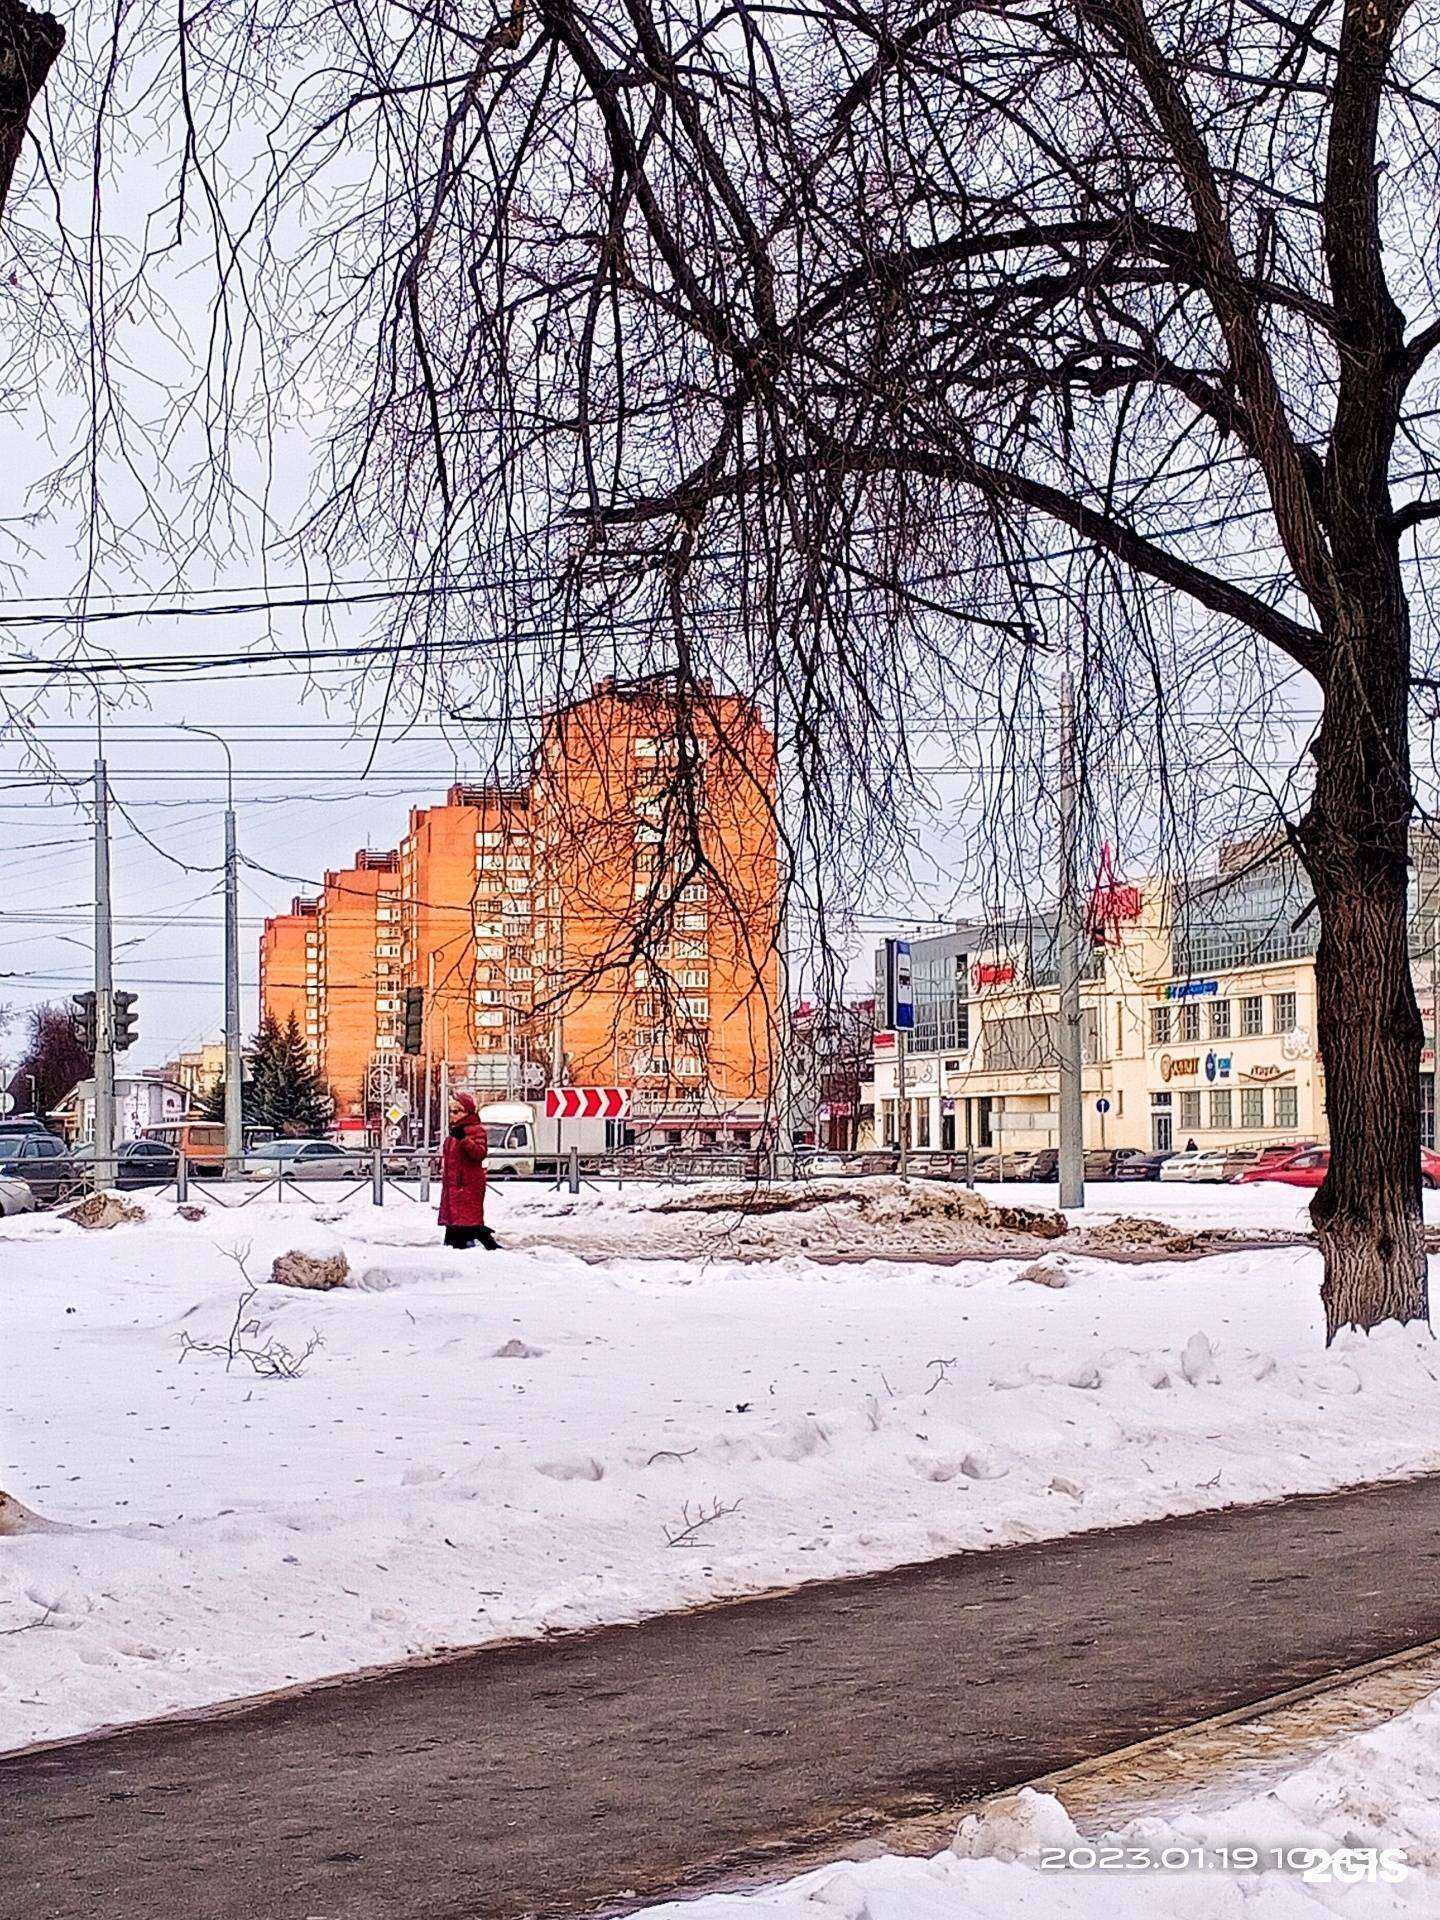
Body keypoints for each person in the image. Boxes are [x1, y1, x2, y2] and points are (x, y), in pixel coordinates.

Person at [439, 1093, 498, 1250]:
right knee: (456, 1225)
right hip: (454, 1187)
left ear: (467, 1112)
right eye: (451, 1111)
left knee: (467, 1223)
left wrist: (464, 1140)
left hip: (467, 1186)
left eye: (457, 1111)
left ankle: (487, 1246)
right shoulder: (453, 1133)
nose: (453, 1115)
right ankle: (481, 1243)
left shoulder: (475, 1131)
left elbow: (479, 1153)